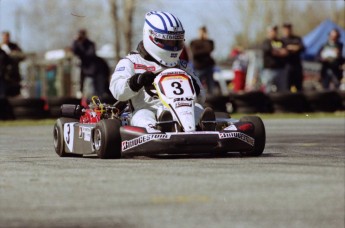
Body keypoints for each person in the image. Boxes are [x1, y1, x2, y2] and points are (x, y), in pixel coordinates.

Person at [109, 11, 214, 133]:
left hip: (182, 109)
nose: (173, 46)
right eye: (168, 41)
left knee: (198, 108)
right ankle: (157, 130)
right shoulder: (132, 61)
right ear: (152, 37)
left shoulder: (182, 65)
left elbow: (201, 97)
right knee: (143, 115)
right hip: (148, 110)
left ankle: (204, 127)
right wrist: (136, 81)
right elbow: (117, 90)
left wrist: (195, 89)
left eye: (176, 42)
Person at [72, 29, 107, 98]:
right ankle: (80, 93)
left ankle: (99, 96)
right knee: (81, 79)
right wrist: (75, 41)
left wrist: (81, 49)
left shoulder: (90, 44)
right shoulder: (77, 43)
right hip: (85, 67)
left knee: (97, 85)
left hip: (95, 68)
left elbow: (91, 54)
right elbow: (74, 51)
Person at [261, 25, 288, 93]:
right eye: (272, 30)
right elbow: (270, 51)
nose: (274, 32)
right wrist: (279, 52)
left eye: (275, 30)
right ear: (269, 32)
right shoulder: (266, 42)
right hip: (269, 70)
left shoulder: (281, 41)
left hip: (281, 69)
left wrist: (277, 51)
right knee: (268, 90)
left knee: (282, 90)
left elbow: (286, 52)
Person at [190, 26, 216, 94]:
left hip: (208, 66)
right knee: (198, 84)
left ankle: (211, 98)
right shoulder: (194, 42)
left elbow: (210, 49)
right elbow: (195, 52)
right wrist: (204, 50)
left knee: (210, 84)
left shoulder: (209, 42)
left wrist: (205, 41)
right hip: (199, 66)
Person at [281, 23, 305, 92]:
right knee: (286, 87)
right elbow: (282, 51)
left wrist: (292, 48)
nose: (287, 30)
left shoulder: (297, 39)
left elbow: (302, 48)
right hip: (286, 67)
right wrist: (292, 48)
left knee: (298, 87)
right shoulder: (281, 40)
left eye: (289, 28)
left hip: (297, 66)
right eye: (286, 29)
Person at [0, 31, 25, 96]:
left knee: (15, 92)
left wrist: (13, 54)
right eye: (4, 37)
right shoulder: (1, 47)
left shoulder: (14, 46)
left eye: (7, 36)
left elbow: (22, 56)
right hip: (4, 75)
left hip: (14, 75)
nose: (6, 38)